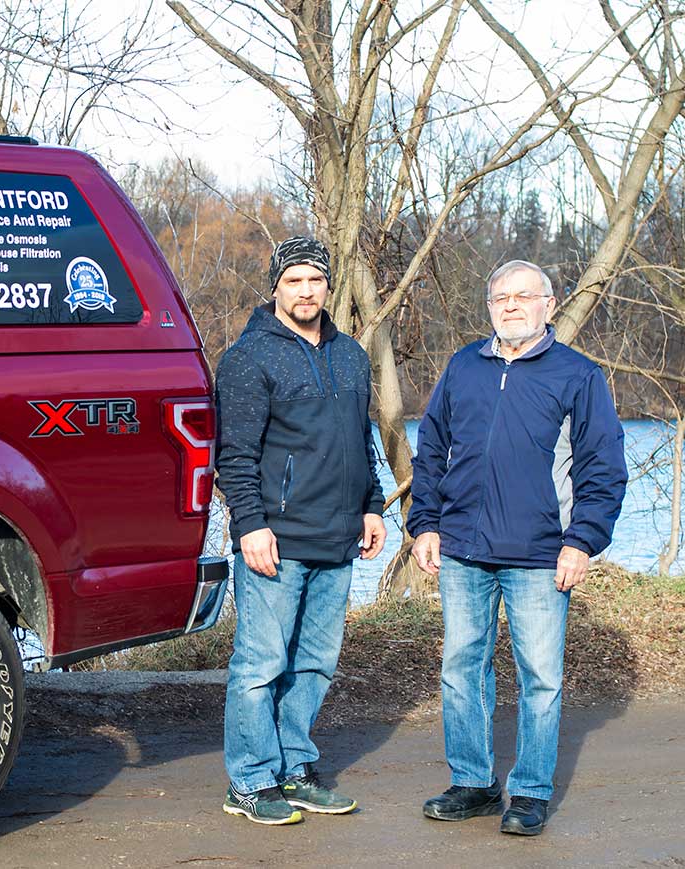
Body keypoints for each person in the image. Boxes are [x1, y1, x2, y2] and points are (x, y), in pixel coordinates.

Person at [409, 259, 627, 837]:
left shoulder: (577, 375)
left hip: (539, 554)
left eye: (522, 296)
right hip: (461, 549)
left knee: (540, 677)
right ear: (489, 306)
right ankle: (474, 784)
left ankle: (529, 791)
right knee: (461, 668)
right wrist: (424, 524)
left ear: (548, 305)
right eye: (500, 297)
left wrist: (582, 540)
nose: (510, 306)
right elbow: (430, 449)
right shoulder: (463, 367)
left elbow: (602, 468)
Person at [214, 235, 387, 825]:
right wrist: (250, 526)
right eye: (294, 280)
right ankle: (251, 779)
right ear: (275, 287)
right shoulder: (249, 358)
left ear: (328, 287)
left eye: (315, 279)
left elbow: (359, 441)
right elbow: (233, 455)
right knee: (260, 665)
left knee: (314, 663)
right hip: (276, 543)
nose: (305, 290)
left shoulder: (351, 355)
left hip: (338, 539)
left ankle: (294, 767)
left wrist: (372, 505)